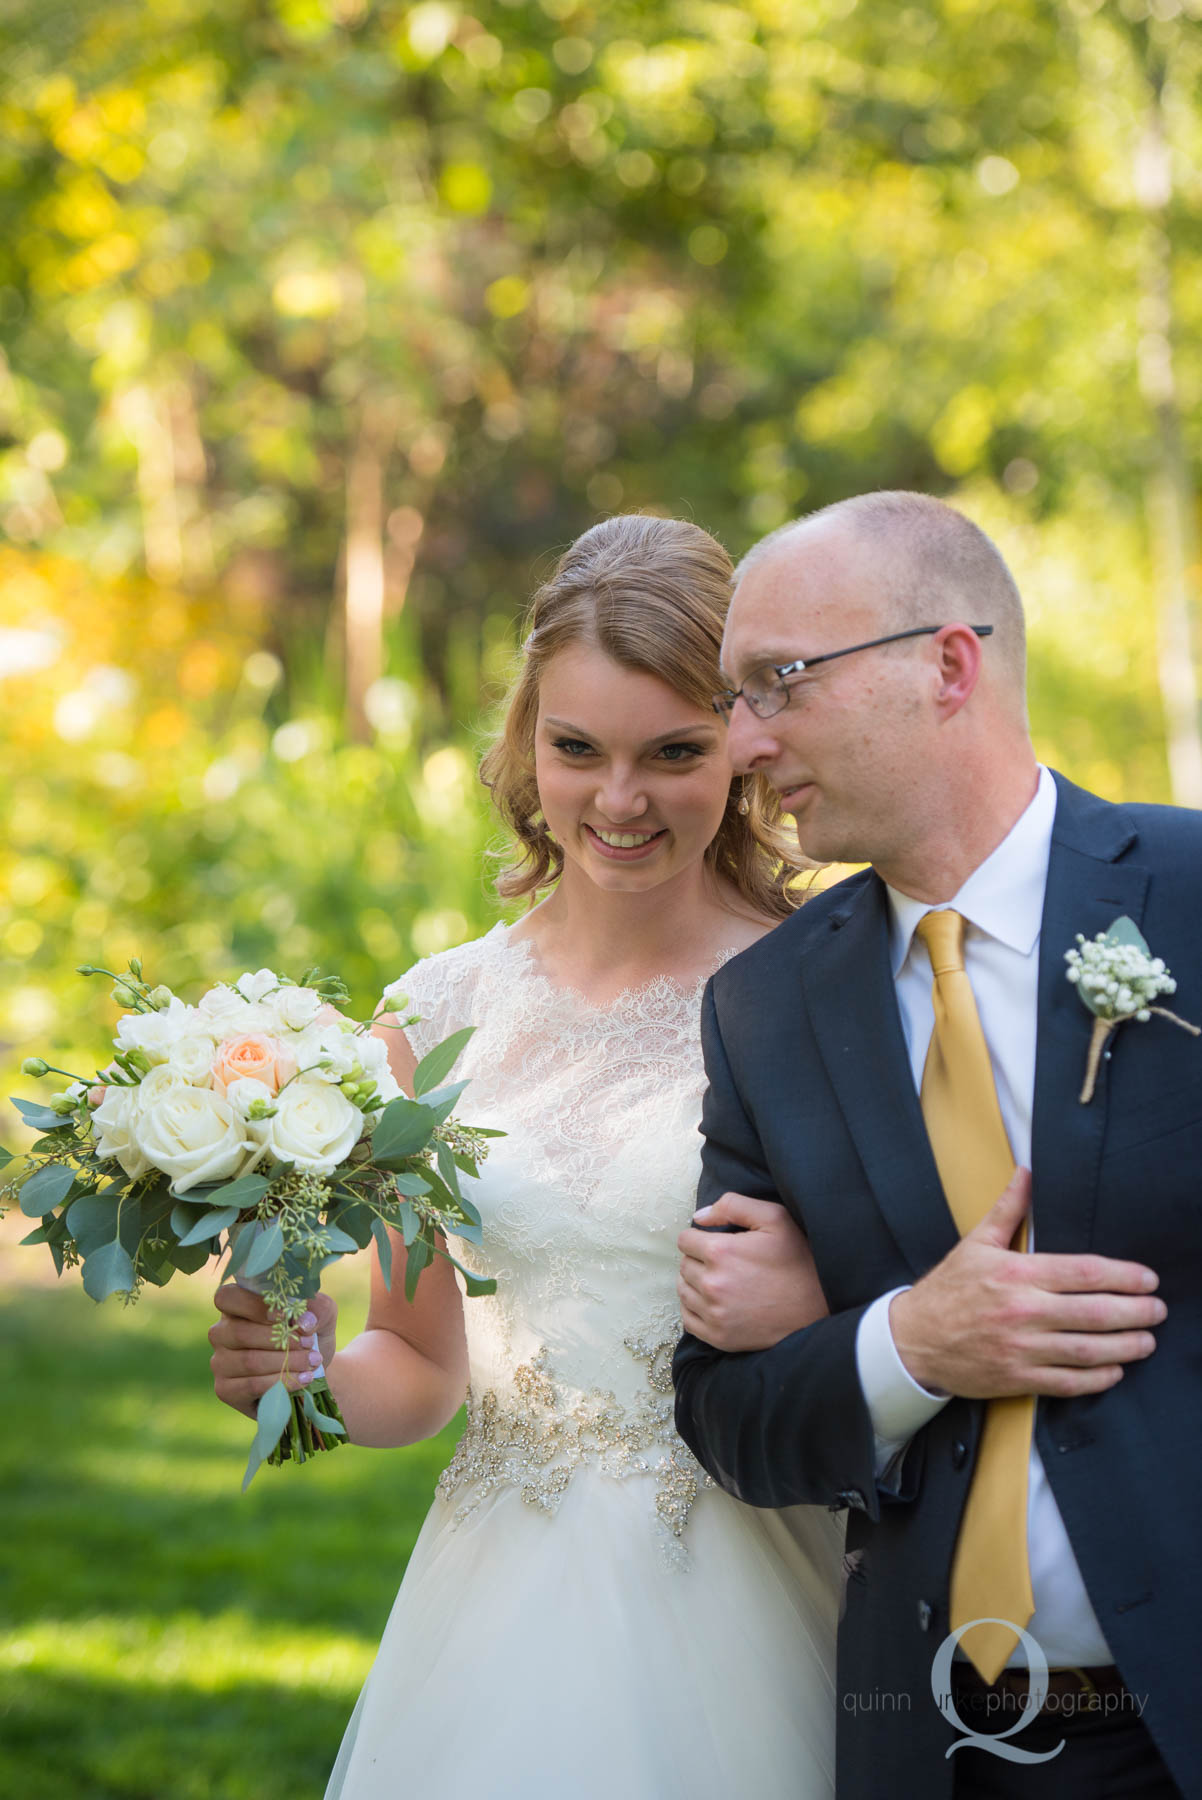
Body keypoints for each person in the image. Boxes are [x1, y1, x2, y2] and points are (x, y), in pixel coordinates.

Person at [209, 514, 843, 1800]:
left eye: (674, 751)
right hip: (497, 1597)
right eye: (577, 750)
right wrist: (311, 1381)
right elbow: (427, 1360)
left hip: (762, 1577)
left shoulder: (826, 990)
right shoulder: (431, 1017)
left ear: (742, 739)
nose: (619, 801)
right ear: (525, 744)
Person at [672, 490, 1201, 1800]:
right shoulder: (764, 1008)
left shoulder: (1190, 899)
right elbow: (724, 1412)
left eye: (775, 683)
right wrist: (905, 1343)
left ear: (945, 666)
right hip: (930, 1748)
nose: (740, 741)